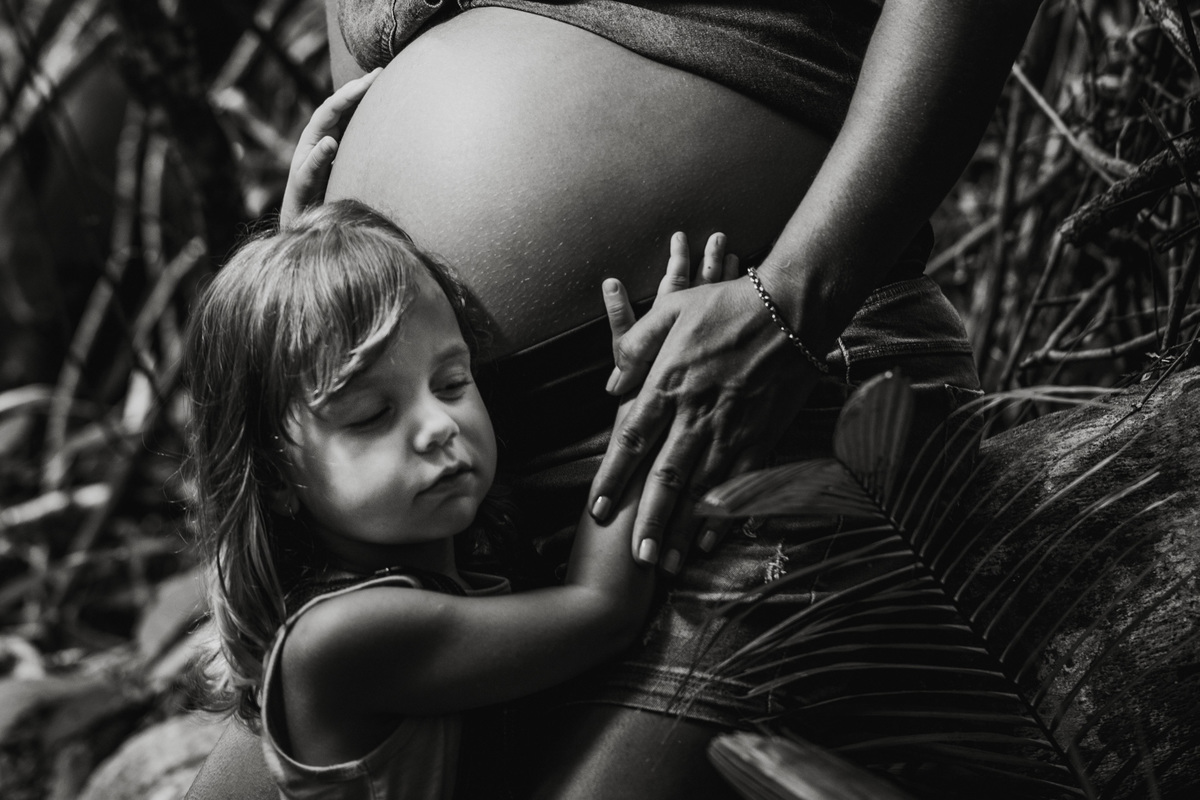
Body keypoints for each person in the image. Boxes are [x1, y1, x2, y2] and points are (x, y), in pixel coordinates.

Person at [188, 2, 1044, 797]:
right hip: (435, 529)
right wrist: (321, 265)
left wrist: (791, 296)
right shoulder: (339, 633)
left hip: (754, 403)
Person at [186, 178, 741, 796]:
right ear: (275, 476)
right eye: (372, 415)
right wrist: (656, 384)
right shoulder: (338, 639)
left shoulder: (452, 574)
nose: (439, 426)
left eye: (452, 382)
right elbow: (603, 610)